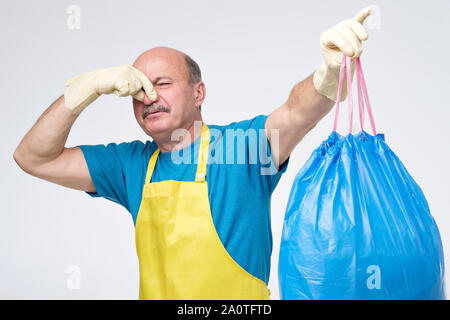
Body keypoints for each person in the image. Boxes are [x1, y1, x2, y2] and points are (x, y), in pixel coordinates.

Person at [13, 8, 372, 299]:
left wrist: (329, 72)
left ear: (198, 93)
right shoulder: (130, 165)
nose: (148, 97)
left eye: (163, 84)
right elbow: (33, 157)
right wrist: (83, 92)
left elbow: (296, 113)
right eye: (139, 89)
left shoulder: (241, 149)